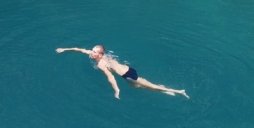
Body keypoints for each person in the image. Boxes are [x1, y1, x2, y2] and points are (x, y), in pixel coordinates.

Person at [56, 45, 188, 99]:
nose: (91, 53)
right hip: (129, 69)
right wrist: (64, 49)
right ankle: (164, 89)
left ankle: (177, 91)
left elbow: (111, 78)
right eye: (92, 51)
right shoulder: (98, 56)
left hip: (128, 75)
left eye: (95, 52)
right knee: (137, 87)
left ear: (101, 55)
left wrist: (116, 90)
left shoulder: (101, 64)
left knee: (149, 86)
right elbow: (78, 49)